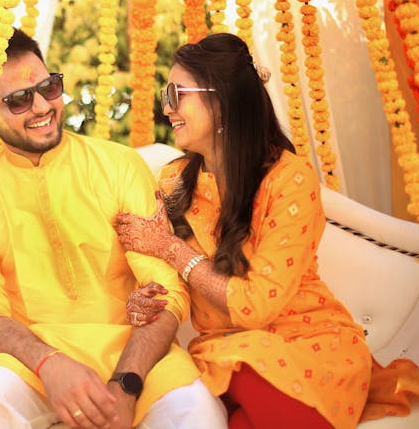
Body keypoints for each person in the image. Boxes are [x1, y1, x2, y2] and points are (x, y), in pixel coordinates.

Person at [0, 28, 227, 429]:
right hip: (33, 364)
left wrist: (126, 384)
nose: (43, 105)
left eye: (48, 86)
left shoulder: (117, 166)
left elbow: (167, 288)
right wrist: (49, 364)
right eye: (18, 99)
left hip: (138, 355)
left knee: (198, 416)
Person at [114, 32, 375, 428]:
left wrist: (169, 248)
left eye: (176, 93)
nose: (166, 107)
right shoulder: (172, 183)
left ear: (221, 99)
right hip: (224, 357)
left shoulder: (289, 179)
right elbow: (173, 284)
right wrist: (144, 302)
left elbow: (256, 306)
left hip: (308, 350)